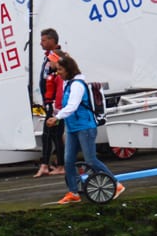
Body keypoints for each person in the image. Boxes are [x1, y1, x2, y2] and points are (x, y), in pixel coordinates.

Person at [46, 51, 125, 205]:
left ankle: (116, 184)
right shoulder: (68, 83)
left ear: (68, 70)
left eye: (60, 70)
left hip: (85, 127)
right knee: (68, 160)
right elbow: (65, 106)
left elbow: (73, 106)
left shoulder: (77, 85)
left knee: (90, 159)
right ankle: (73, 192)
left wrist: (57, 117)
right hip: (72, 127)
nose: (58, 73)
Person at [36, 28, 65, 178]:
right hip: (49, 102)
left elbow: (57, 80)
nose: (41, 43)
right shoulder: (48, 57)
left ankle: (52, 165)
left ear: (52, 41)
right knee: (51, 135)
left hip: (54, 104)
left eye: (44, 40)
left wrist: (53, 103)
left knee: (50, 135)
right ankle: (50, 164)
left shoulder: (56, 57)